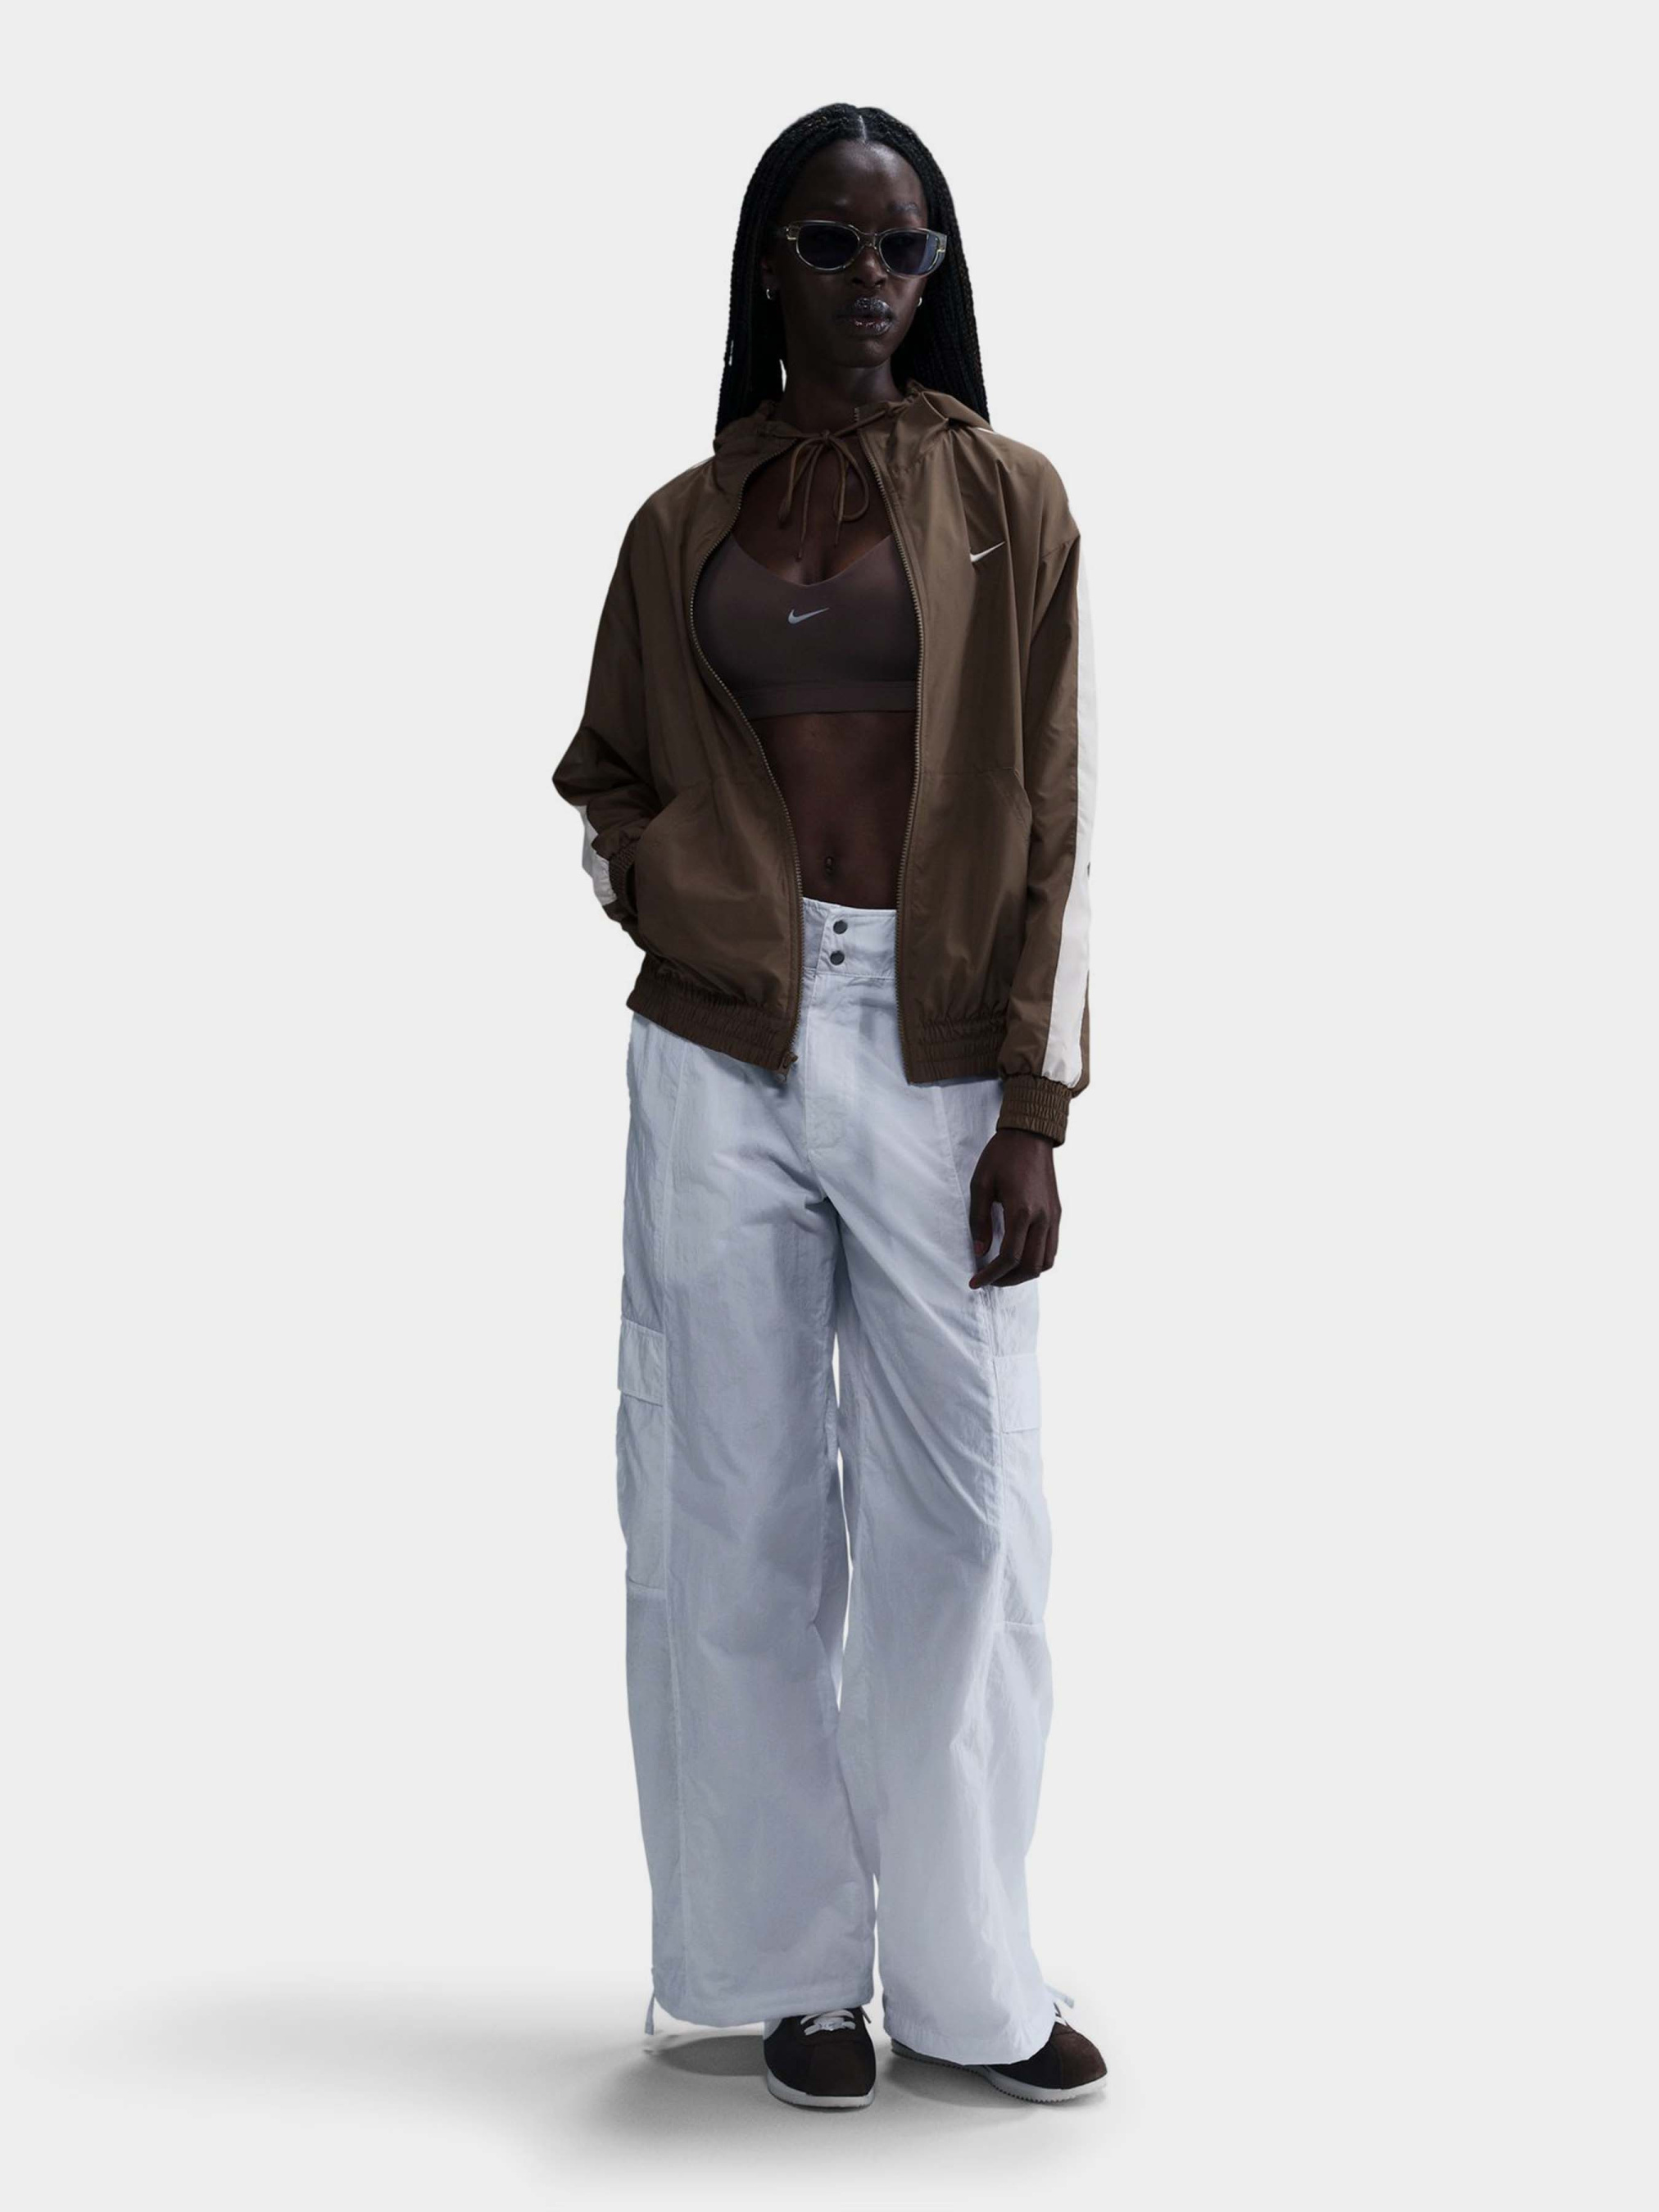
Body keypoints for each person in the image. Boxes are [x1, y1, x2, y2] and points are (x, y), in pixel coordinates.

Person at [553, 102, 1103, 2110]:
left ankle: (968, 1984)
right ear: (765, 267)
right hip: (719, 1046)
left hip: (938, 1045)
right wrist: (671, 886)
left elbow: (1055, 816)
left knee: (966, 1523)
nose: (873, 280)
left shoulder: (1006, 500)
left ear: (935, 272)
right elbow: (606, 765)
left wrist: (1034, 1103)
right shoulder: (679, 526)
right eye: (832, 243)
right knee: (732, 1504)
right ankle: (785, 1969)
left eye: (904, 247)